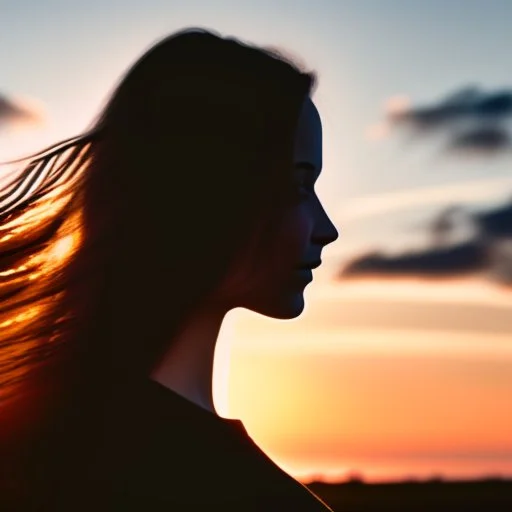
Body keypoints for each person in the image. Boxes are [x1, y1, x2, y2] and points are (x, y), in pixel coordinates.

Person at [0, 26, 339, 511]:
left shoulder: (32, 445)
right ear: (205, 194)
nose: (326, 228)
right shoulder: (237, 492)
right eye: (296, 185)